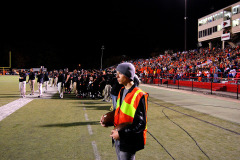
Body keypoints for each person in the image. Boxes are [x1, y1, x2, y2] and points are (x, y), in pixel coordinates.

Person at [100, 62, 149, 160]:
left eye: (120, 73)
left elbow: (140, 124)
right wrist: (108, 120)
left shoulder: (139, 95)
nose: (117, 76)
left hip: (129, 139)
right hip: (119, 136)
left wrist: (121, 134)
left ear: (128, 75)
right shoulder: (121, 91)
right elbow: (119, 112)